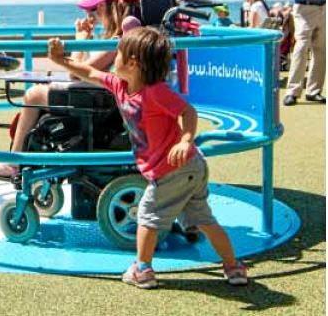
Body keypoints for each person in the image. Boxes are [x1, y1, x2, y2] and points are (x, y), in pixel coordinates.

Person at [48, 28, 248, 289]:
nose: (114, 58)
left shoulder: (156, 92)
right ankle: (234, 266)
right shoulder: (119, 85)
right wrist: (60, 60)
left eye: (118, 53)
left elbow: (187, 112)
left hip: (173, 169)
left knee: (147, 216)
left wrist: (185, 139)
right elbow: (90, 72)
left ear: (132, 63)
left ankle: (142, 270)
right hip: (189, 168)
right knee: (204, 220)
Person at [0, 0, 142, 179]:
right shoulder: (138, 34)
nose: (95, 14)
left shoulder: (120, 39)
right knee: (49, 89)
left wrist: (80, 39)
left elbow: (79, 73)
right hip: (110, 98)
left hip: (104, 101)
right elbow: (83, 71)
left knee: (33, 95)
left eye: (97, 8)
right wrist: (84, 40)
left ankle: (15, 162)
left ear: (114, 7)